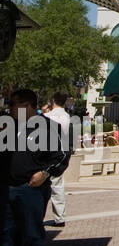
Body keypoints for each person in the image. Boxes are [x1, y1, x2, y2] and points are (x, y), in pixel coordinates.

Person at [0, 89, 72, 246]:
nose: (10, 108)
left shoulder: (47, 127)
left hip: (31, 189)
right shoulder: (7, 126)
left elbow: (61, 156)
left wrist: (44, 174)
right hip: (8, 187)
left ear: (27, 106)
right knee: (6, 232)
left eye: (14, 104)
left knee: (31, 232)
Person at [44, 91, 71, 227]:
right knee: (58, 186)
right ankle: (60, 218)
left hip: (45, 155)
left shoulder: (46, 116)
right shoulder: (67, 117)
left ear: (53, 101)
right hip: (61, 155)